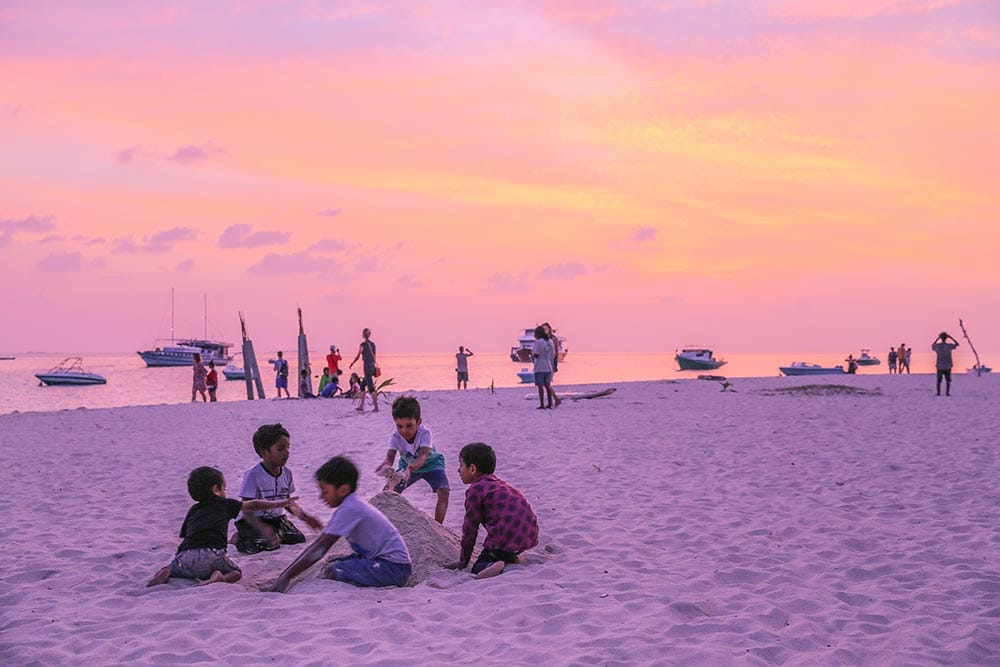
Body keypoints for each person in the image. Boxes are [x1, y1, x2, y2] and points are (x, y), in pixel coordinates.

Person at [268, 456, 412, 592]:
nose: (321, 496)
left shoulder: (349, 509)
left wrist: (286, 577)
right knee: (333, 562)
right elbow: (317, 545)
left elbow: (320, 548)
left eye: (324, 491)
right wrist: (286, 574)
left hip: (394, 569)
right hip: (389, 564)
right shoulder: (350, 505)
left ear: (343, 490)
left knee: (333, 570)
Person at [147, 466, 296, 587]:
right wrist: (280, 503)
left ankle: (166, 572)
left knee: (171, 567)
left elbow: (186, 537)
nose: (225, 492)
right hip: (213, 554)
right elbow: (254, 504)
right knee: (236, 573)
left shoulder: (193, 510)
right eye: (224, 488)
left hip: (185, 556)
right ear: (216, 489)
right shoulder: (225, 504)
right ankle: (218, 578)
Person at [234, 423, 323, 554]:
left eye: (288, 447)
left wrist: (306, 517)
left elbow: (288, 503)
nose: (287, 452)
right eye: (281, 449)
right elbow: (247, 509)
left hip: (276, 519)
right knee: (259, 546)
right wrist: (262, 527)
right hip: (253, 521)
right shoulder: (253, 475)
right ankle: (237, 538)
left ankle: (274, 533)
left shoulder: (287, 473)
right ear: (265, 452)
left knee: (297, 538)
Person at [453, 443, 538, 579]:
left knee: (478, 567)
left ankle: (494, 565)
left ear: (473, 469)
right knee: (503, 538)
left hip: (505, 535)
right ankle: (509, 555)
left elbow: (470, 528)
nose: (458, 470)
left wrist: (463, 561)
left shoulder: (475, 490)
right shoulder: (498, 484)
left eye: (461, 465)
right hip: (528, 534)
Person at [375, 396, 450, 524]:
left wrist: (410, 468)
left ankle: (438, 527)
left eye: (409, 426)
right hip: (407, 467)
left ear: (419, 422)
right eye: (400, 426)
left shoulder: (425, 434)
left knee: (444, 492)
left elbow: (423, 456)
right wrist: (385, 465)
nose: (404, 431)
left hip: (431, 465)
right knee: (388, 491)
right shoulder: (395, 437)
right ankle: (387, 522)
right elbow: (390, 458)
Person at [349, 328, 379, 412]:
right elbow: (374, 356)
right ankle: (361, 406)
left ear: (363, 335)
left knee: (371, 387)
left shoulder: (363, 344)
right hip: (372, 365)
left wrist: (352, 363)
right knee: (362, 386)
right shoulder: (373, 344)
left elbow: (358, 355)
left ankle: (376, 407)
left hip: (367, 366)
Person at [531, 325, 555, 409]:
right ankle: (550, 403)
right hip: (548, 366)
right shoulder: (550, 341)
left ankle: (542, 404)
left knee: (540, 386)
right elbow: (553, 354)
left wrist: (532, 355)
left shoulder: (538, 342)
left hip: (540, 366)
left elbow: (536, 355)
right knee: (548, 385)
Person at [932, 332, 960, 396]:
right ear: (946, 338)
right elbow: (957, 344)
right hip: (947, 365)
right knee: (948, 380)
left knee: (939, 380)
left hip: (940, 365)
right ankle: (947, 393)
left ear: (941, 338)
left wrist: (937, 339)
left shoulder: (938, 346)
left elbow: (933, 345)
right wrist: (951, 338)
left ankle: (938, 393)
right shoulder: (949, 346)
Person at [541, 323, 562, 407]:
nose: (545, 330)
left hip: (550, 362)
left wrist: (552, 362)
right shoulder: (542, 339)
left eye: (546, 328)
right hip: (544, 362)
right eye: (543, 329)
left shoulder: (553, 338)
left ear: (549, 329)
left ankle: (555, 400)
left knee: (546, 383)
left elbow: (556, 352)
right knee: (545, 383)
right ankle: (555, 399)